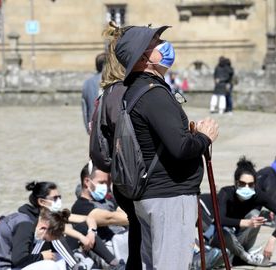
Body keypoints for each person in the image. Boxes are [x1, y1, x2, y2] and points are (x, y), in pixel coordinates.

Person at [114, 24, 219, 269]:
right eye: (157, 42)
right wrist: (205, 137)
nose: (164, 44)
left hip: (154, 193)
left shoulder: (136, 90)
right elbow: (181, 148)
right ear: (143, 58)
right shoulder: (154, 94)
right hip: (169, 196)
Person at [93, 21, 143, 269]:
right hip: (136, 177)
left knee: (136, 236)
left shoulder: (108, 92)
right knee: (142, 240)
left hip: (121, 179)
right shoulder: (124, 92)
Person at [213, 157, 276, 266]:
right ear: (236, 183)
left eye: (250, 184)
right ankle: (246, 257)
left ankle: (239, 255)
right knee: (225, 232)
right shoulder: (226, 193)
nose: (246, 187)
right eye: (242, 183)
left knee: (255, 214)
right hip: (222, 241)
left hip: (240, 240)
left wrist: (272, 241)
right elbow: (219, 220)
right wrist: (246, 222)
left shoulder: (257, 195)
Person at [71, 163, 128, 269]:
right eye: (101, 182)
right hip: (107, 252)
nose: (105, 187)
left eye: (107, 183)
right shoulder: (80, 206)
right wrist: (137, 218)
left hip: (122, 244)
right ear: (87, 182)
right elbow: (110, 217)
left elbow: (123, 212)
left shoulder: (108, 200)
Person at [0, 207, 71, 270]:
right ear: (43, 228)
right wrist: (42, 256)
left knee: (59, 258)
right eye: (45, 239)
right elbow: (18, 260)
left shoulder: (25, 220)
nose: (42, 241)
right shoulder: (26, 227)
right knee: (51, 266)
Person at [82, 53, 106, 134]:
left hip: (92, 126)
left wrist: (88, 128)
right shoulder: (110, 81)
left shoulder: (87, 83)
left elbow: (85, 109)